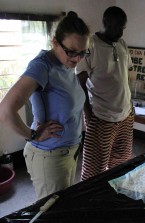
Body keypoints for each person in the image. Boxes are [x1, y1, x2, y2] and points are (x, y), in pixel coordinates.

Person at [0, 11, 90, 199]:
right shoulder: (42, 66)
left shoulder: (64, 64)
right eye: (72, 51)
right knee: (52, 213)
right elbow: (5, 110)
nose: (77, 59)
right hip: (50, 156)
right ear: (55, 42)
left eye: (82, 52)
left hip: (68, 152)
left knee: (62, 207)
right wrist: (33, 135)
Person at [76, 6, 134, 181]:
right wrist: (88, 113)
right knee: (94, 170)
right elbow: (80, 80)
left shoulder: (122, 44)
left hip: (126, 115)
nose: (121, 32)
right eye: (118, 27)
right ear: (106, 22)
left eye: (123, 28)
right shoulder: (91, 45)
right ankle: (90, 204)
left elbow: (126, 75)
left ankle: (112, 196)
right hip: (101, 116)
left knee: (120, 165)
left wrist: (131, 106)